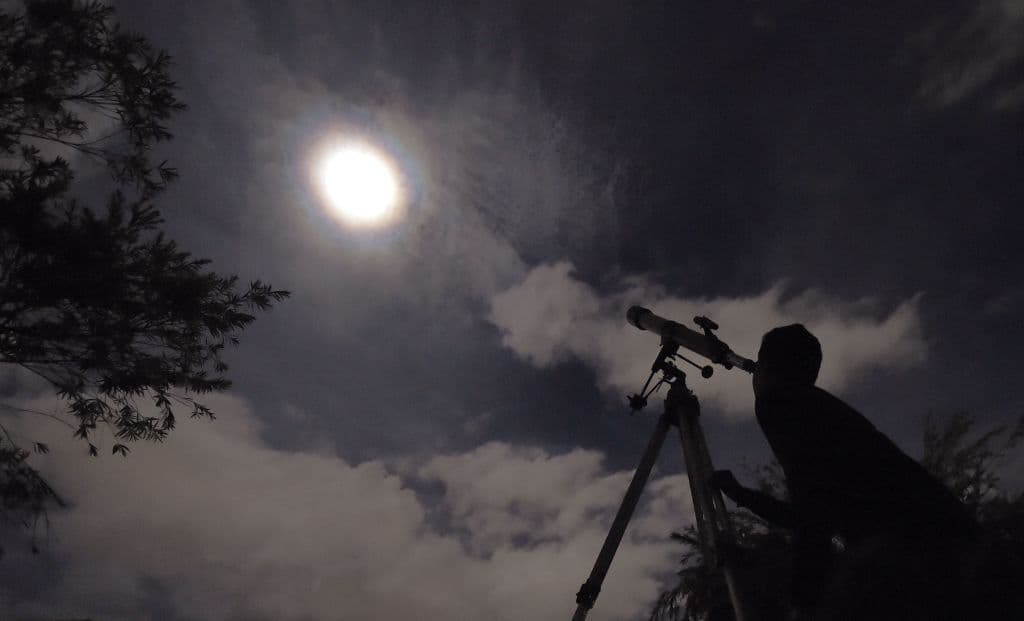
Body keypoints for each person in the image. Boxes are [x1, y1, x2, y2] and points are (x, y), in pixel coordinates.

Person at [711, 325, 977, 620]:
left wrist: (805, 600)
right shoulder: (815, 405)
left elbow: (813, 512)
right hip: (945, 543)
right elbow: (811, 512)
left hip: (918, 548)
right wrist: (743, 496)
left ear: (765, 366)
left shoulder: (779, 402)